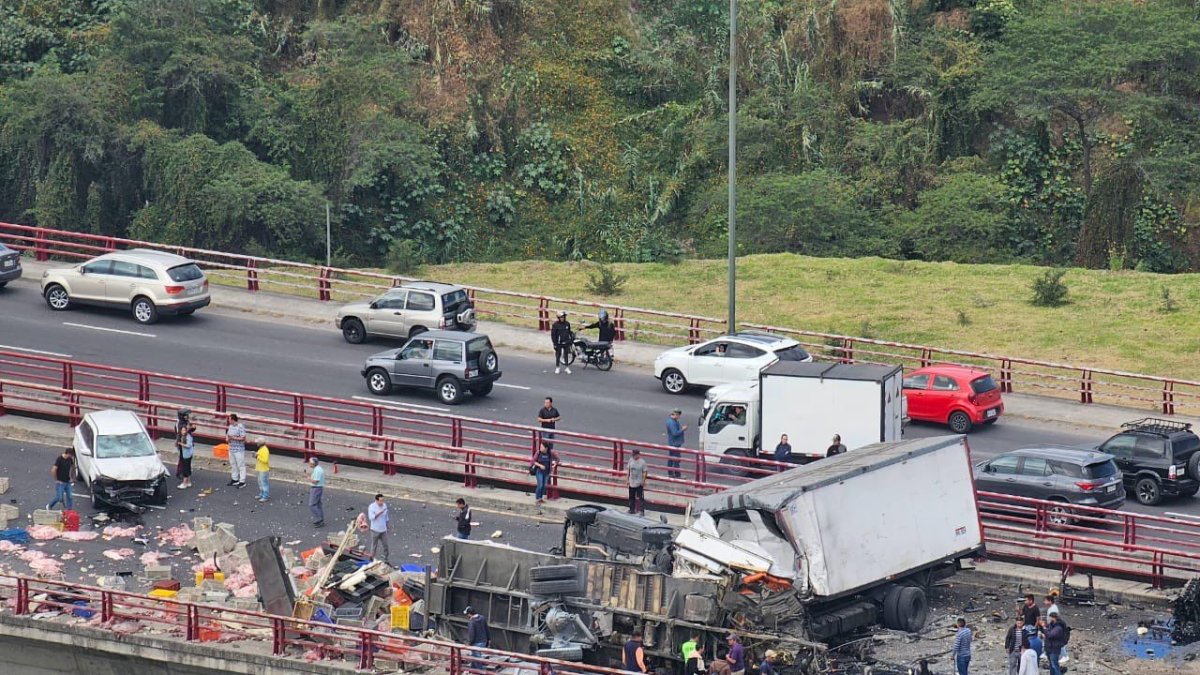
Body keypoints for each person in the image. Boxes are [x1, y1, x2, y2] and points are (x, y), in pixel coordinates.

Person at [368, 493, 390, 564]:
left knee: (385, 545)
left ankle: (386, 559)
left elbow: (386, 516)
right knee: (374, 545)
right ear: (376, 500)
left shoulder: (384, 505)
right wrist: (380, 512)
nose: (382, 502)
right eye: (380, 501)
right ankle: (371, 559)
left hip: (383, 530)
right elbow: (371, 517)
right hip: (375, 530)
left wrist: (387, 526)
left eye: (383, 500)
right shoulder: (372, 507)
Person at [532, 441, 556, 509]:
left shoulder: (550, 453)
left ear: (546, 448)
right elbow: (533, 461)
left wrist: (555, 464)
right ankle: (537, 499)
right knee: (540, 485)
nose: (540, 448)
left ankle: (540, 498)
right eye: (540, 447)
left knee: (544, 486)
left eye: (542, 447)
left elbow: (557, 459)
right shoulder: (538, 453)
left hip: (547, 472)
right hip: (539, 471)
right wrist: (540, 465)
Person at [226, 413, 247, 488]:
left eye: (229, 419)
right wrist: (228, 439)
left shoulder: (240, 426)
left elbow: (243, 438)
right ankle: (235, 479)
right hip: (231, 448)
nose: (228, 420)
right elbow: (227, 436)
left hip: (239, 449)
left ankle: (242, 481)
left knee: (241, 465)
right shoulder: (230, 427)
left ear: (232, 420)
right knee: (233, 464)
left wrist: (233, 438)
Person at [666, 409, 687, 479]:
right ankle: (677, 475)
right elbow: (675, 433)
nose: (679, 417)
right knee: (676, 460)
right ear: (675, 414)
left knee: (672, 459)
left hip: (673, 443)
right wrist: (683, 429)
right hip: (674, 444)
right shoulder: (672, 423)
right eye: (678, 415)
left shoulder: (673, 421)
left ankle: (671, 474)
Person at [627, 448, 648, 515]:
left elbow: (645, 472)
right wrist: (627, 480)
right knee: (631, 497)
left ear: (638, 455)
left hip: (639, 483)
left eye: (634, 455)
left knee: (640, 498)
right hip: (631, 482)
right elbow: (628, 470)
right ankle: (632, 509)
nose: (633, 456)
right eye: (632, 455)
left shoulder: (642, 462)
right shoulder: (630, 460)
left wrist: (643, 481)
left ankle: (641, 511)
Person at [551, 311, 573, 375]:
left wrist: (570, 339)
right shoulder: (555, 325)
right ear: (558, 318)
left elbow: (569, 332)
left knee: (566, 355)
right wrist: (554, 344)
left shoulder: (567, 324)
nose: (562, 318)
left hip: (566, 342)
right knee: (558, 355)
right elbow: (553, 335)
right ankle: (557, 367)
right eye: (561, 317)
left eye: (563, 317)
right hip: (558, 343)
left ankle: (567, 367)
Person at [307, 457, 326, 527]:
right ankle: (321, 519)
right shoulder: (318, 469)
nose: (309, 464)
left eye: (310, 463)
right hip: (318, 488)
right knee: (318, 504)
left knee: (312, 504)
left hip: (316, 488)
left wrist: (308, 478)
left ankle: (319, 519)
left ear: (313, 464)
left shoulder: (317, 471)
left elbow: (315, 481)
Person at [178, 422, 196, 489]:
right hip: (186, 454)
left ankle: (184, 483)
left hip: (187, 455)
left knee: (185, 469)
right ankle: (188, 482)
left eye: (184, 430)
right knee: (188, 468)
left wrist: (181, 444)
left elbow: (188, 445)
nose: (183, 431)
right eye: (182, 430)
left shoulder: (188, 436)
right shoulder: (184, 436)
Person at [254, 438, 270, 502]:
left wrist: (257, 457)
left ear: (260, 443)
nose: (256, 444)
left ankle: (265, 496)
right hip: (260, 468)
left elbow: (265, 460)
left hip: (263, 470)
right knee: (260, 482)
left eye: (257, 443)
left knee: (264, 483)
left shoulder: (265, 450)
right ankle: (262, 494)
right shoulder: (261, 449)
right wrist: (255, 456)